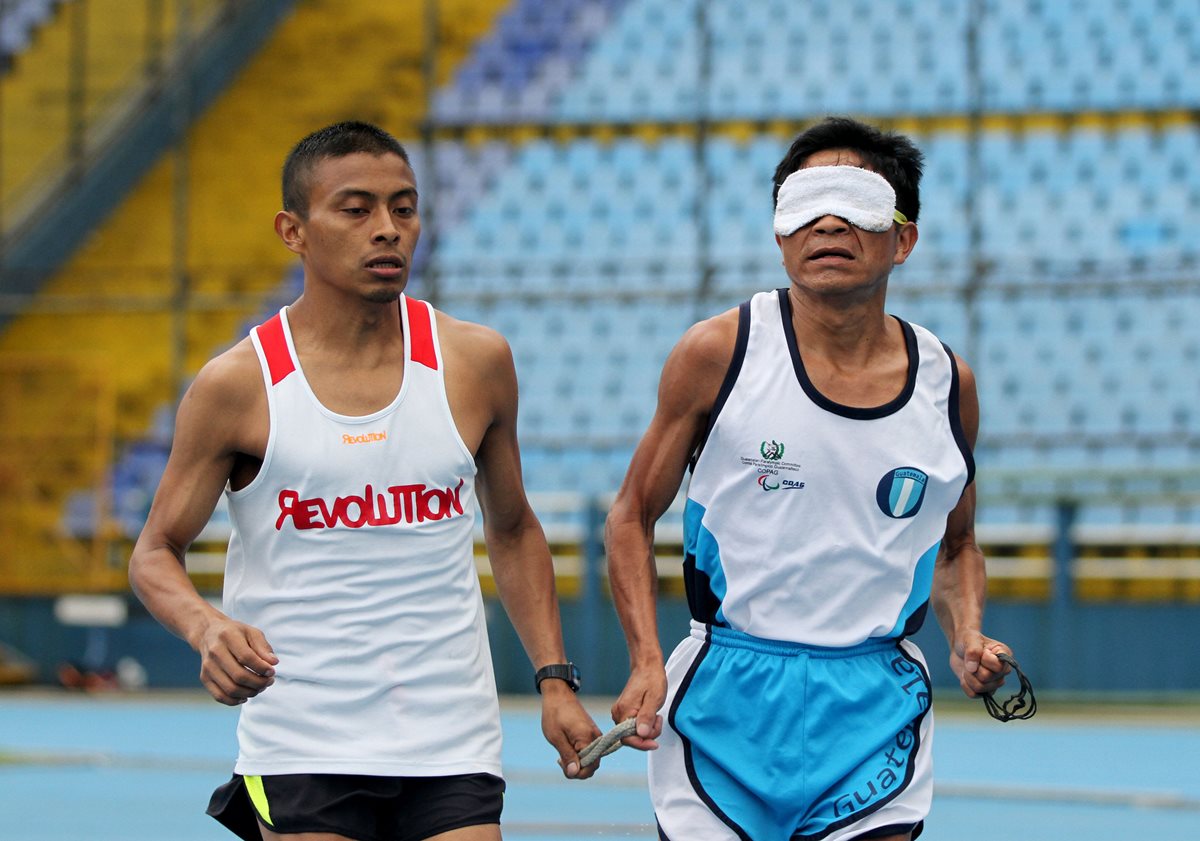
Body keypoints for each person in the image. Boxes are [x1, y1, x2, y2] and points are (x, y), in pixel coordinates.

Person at [129, 120, 602, 841]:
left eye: (404, 208)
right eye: (357, 209)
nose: (387, 229)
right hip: (302, 740)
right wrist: (207, 628)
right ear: (294, 230)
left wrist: (555, 679)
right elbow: (154, 550)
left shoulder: (476, 362)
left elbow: (512, 528)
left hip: (451, 736)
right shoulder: (239, 384)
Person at [605, 116, 1014, 841]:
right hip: (726, 697)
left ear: (904, 239)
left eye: (855, 204)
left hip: (872, 705)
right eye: (805, 206)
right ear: (779, 232)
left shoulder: (949, 386)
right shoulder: (718, 353)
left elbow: (954, 546)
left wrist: (969, 632)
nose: (828, 223)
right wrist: (643, 657)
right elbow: (631, 515)